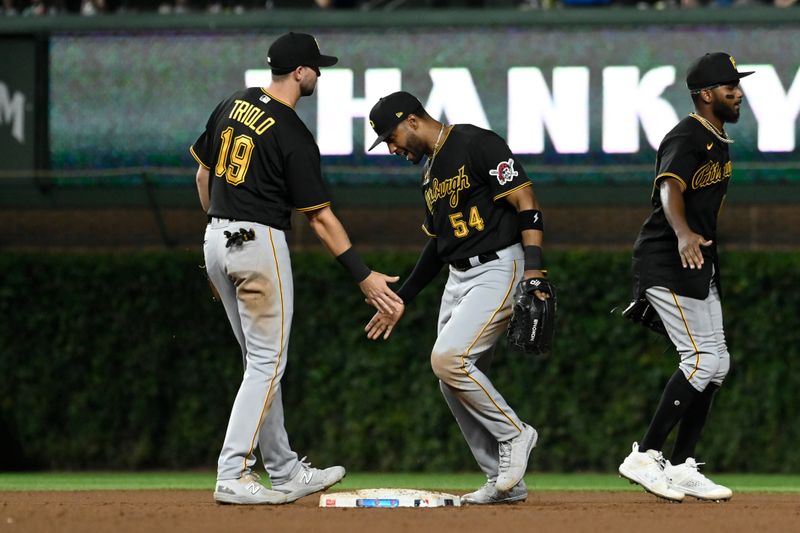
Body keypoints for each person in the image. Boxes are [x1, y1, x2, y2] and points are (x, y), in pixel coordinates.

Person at [190, 31, 403, 505]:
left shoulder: (231, 104)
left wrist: (216, 239)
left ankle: (284, 469)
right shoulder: (291, 133)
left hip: (215, 238)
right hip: (258, 241)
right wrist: (363, 275)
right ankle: (234, 473)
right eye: (316, 68)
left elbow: (203, 175)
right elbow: (321, 218)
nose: (319, 75)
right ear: (301, 72)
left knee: (258, 363)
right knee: (267, 362)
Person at [363, 91, 550, 505]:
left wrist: (535, 270)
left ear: (412, 120)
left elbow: (526, 202)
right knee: (452, 380)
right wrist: (404, 295)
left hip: (499, 266)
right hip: (458, 277)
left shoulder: (475, 142)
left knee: (448, 359)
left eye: (390, 136)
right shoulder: (430, 175)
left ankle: (516, 434)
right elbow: (438, 245)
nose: (391, 148)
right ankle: (503, 481)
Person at [618, 52, 753, 502]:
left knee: (717, 363)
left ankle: (680, 465)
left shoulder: (715, 136)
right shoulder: (688, 134)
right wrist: (682, 233)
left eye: (738, 84)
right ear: (706, 94)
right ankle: (646, 454)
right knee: (699, 360)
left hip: (695, 262)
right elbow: (668, 186)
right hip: (668, 259)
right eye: (729, 85)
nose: (738, 91)